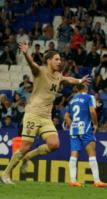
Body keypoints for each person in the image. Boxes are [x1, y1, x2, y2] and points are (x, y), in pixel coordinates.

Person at [1, 42, 89, 184]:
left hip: (46, 117)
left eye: (60, 59)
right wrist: (25, 53)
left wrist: (79, 80)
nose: (59, 62)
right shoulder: (40, 71)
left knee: (54, 144)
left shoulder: (58, 76)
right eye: (56, 59)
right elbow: (32, 65)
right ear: (48, 61)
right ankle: (5, 173)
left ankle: (27, 157)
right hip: (33, 113)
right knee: (25, 146)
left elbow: (68, 79)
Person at [64, 83, 107, 187]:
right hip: (85, 128)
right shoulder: (90, 97)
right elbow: (92, 112)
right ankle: (97, 181)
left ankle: (73, 180)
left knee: (74, 155)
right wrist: (96, 124)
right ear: (85, 88)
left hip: (74, 129)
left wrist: (72, 126)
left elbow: (66, 117)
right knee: (92, 153)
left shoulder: (72, 100)